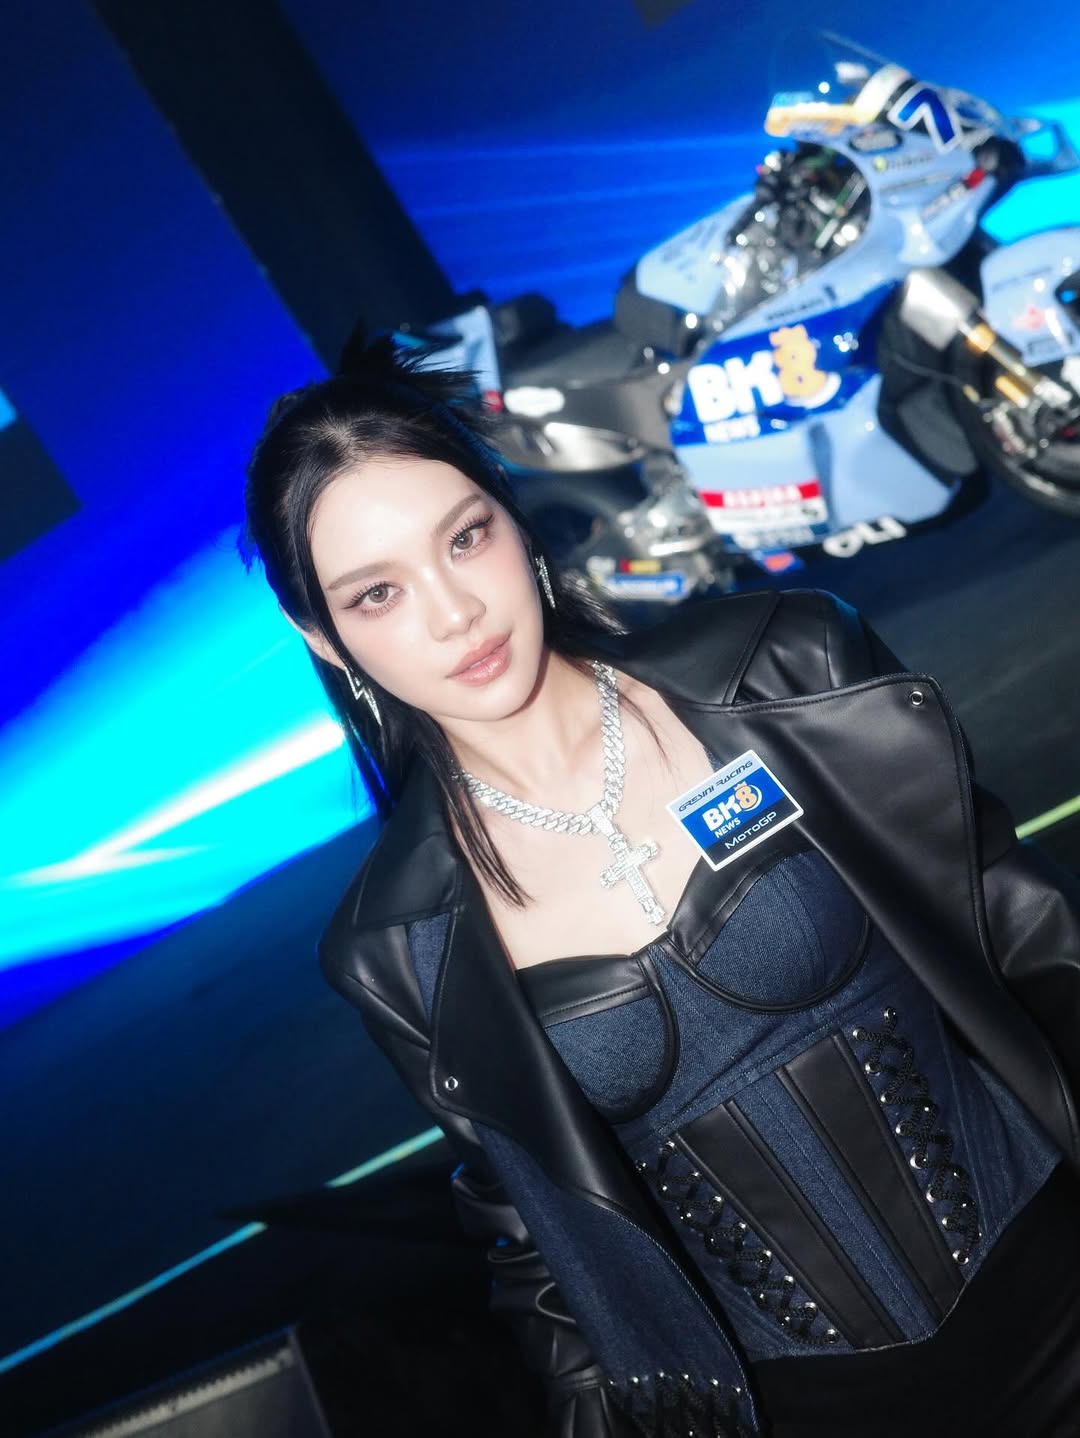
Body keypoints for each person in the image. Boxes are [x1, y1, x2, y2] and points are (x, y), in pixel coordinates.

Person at [242, 340, 1080, 1438]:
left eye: (466, 537)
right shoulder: (396, 941)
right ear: (324, 634)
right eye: (379, 592)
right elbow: (537, 1242)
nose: (454, 614)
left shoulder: (787, 671)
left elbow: (1033, 945)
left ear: (513, 518)